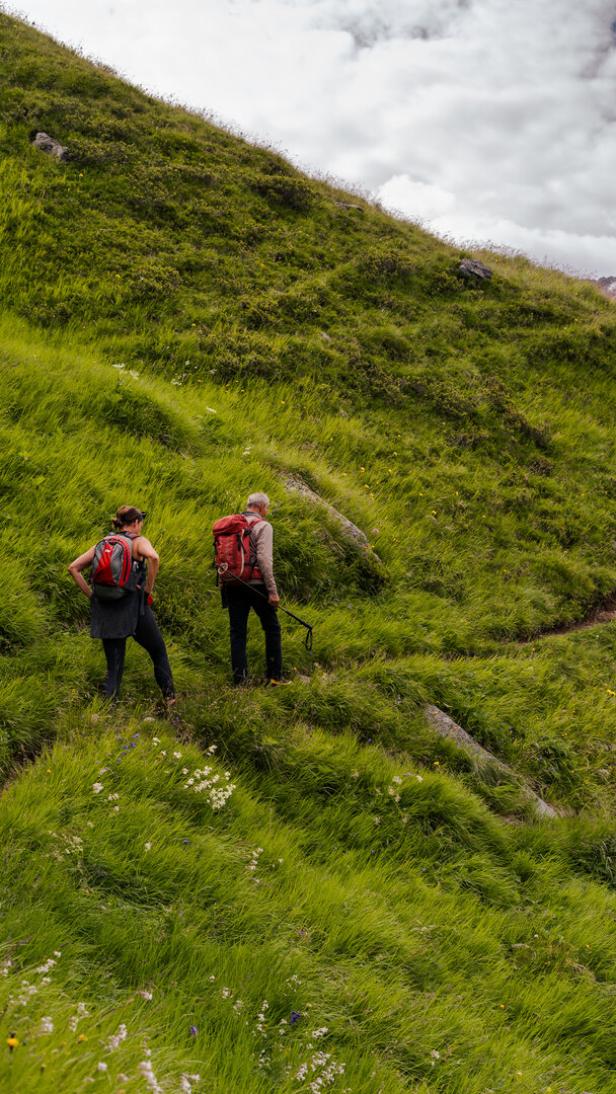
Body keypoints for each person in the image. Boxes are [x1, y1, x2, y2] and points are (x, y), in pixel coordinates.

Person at [68, 506, 176, 706]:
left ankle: (107, 714)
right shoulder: (138, 542)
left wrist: (92, 596)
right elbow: (154, 557)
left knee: (114, 667)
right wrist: (147, 591)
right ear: (135, 523)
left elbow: (73, 568)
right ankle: (170, 700)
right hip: (134, 607)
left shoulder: (104, 542)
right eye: (140, 522)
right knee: (158, 650)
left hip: (106, 609)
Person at [219, 492, 282, 686]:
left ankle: (240, 681)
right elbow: (264, 559)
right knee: (272, 628)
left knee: (237, 632)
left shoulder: (231, 526)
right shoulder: (263, 526)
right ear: (262, 507)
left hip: (232, 583)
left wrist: (224, 584)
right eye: (267, 508)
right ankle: (274, 677)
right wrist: (272, 590)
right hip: (256, 585)